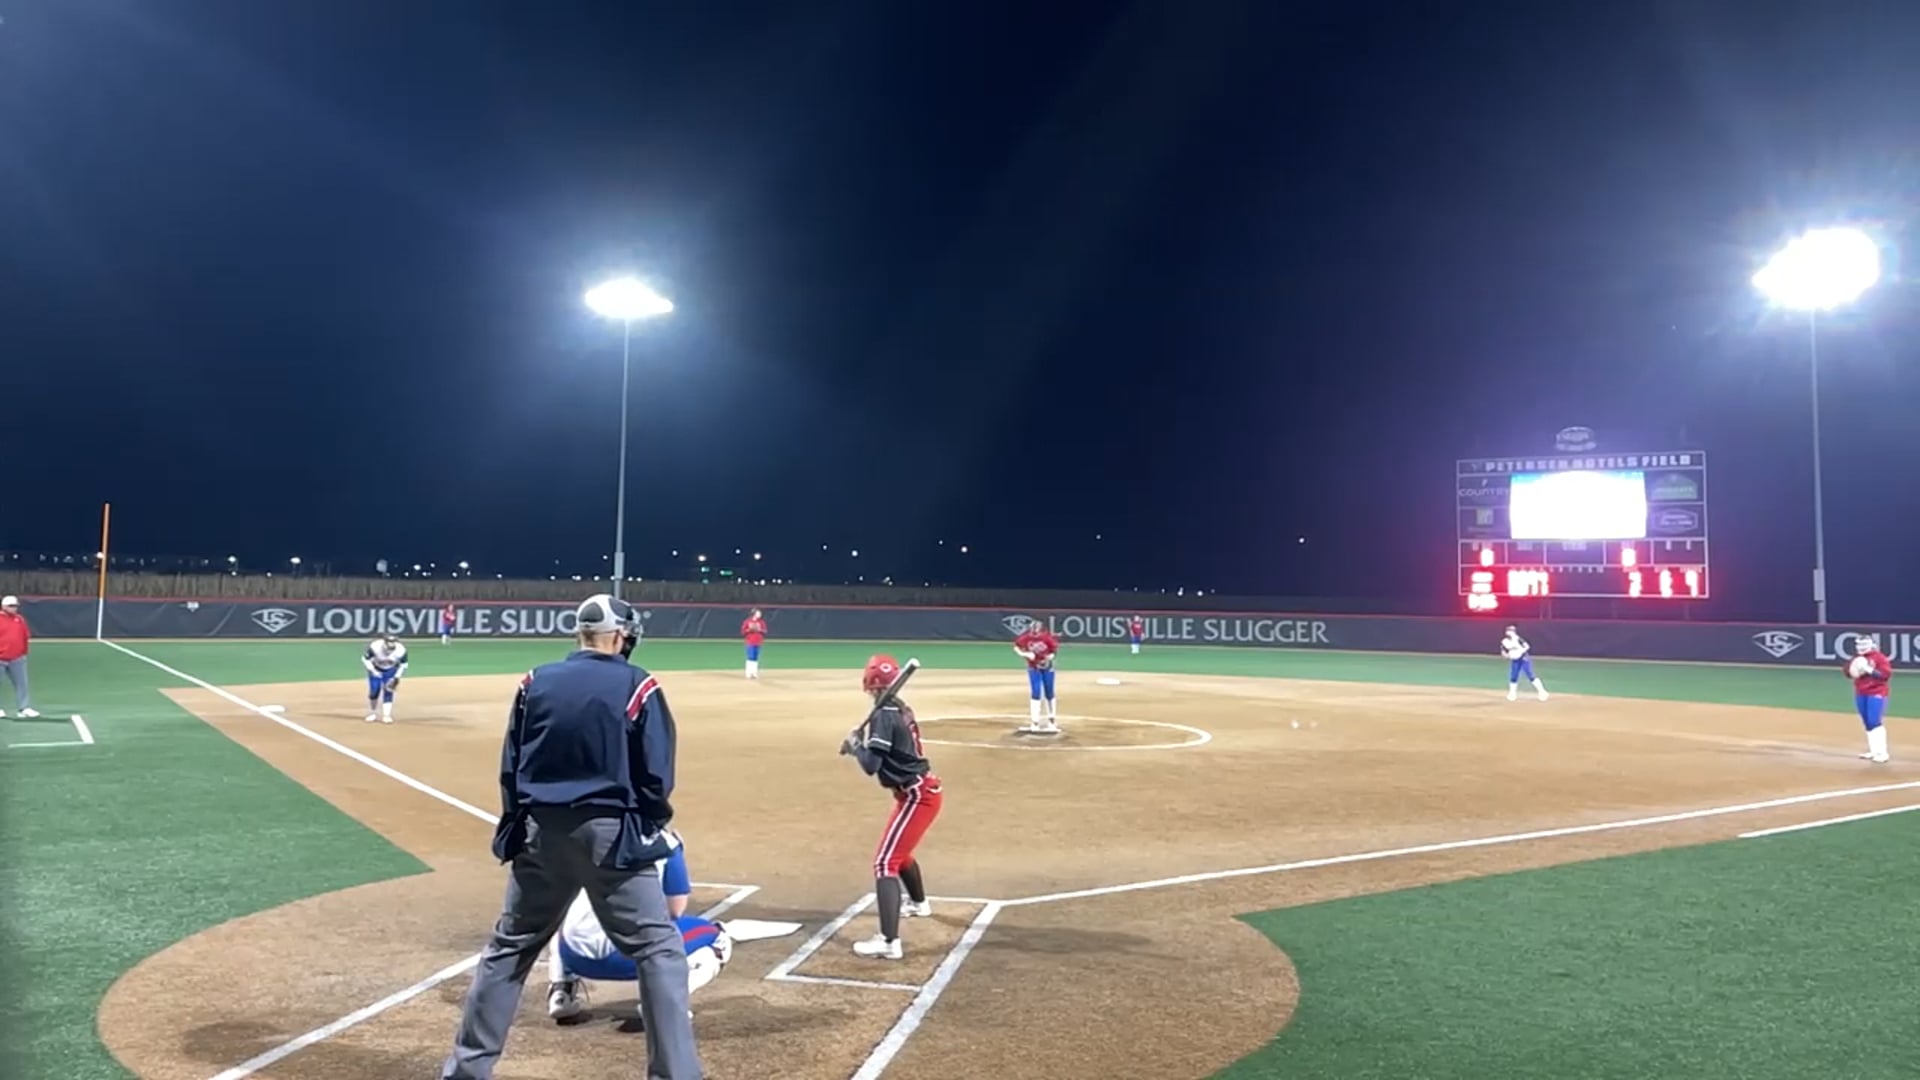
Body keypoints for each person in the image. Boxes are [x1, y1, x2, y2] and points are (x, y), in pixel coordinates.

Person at [440, 594, 701, 1080]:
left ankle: (466, 1071)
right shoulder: (638, 683)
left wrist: (517, 824)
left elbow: (511, 764)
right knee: (659, 951)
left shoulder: (535, 681)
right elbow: (656, 774)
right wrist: (649, 823)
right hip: (611, 836)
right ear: (620, 635)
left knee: (509, 948)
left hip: (540, 831)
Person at [545, 845, 721, 1023]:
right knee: (718, 938)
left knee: (564, 916)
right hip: (628, 957)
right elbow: (675, 911)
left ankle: (561, 991)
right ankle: (661, 1003)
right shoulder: (666, 844)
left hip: (575, 958)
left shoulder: (585, 838)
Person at [839, 655, 940, 960]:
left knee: (885, 863)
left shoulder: (883, 715)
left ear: (869, 684)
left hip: (917, 796)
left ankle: (888, 942)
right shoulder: (898, 707)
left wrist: (856, 746)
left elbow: (871, 766)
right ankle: (919, 904)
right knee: (899, 853)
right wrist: (859, 744)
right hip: (919, 791)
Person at [1847, 633, 1893, 763]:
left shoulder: (1879, 658)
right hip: (1861, 692)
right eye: (1859, 644)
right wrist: (1853, 669)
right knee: (1867, 721)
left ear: (1871, 645)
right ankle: (1874, 751)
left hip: (1877, 692)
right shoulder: (1857, 658)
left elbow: (1885, 675)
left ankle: (1882, 753)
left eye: (1864, 644)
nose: (1861, 647)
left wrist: (1868, 669)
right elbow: (1848, 673)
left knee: (1874, 721)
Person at [1013, 619, 1061, 734]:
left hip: (1047, 667)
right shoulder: (1026, 637)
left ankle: (1052, 720)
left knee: (1049, 692)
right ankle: (1035, 722)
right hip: (1033, 667)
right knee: (1036, 692)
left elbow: (1054, 651)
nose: (1034, 633)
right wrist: (1025, 654)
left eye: (1036, 630)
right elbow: (1016, 646)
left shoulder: (1046, 637)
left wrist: (1049, 657)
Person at [0, 595, 37, 719]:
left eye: (15, 606)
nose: (14, 608)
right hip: (1, 658)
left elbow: (25, 635)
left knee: (22, 684)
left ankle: (24, 708)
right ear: (4, 606)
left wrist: (24, 652)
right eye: (11, 606)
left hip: (17, 658)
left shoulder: (19, 619)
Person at [363, 631, 409, 723]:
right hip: (375, 668)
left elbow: (404, 664)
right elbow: (365, 659)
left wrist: (396, 677)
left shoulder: (401, 650)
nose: (389, 651)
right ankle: (373, 713)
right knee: (374, 690)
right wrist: (373, 671)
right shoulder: (375, 646)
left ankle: (386, 715)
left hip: (390, 670)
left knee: (388, 690)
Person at [1500, 625, 1549, 702]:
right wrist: (1506, 654)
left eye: (1511, 631)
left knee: (1530, 675)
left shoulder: (1518, 639)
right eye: (1508, 631)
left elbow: (1527, 646)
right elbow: (1503, 650)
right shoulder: (1504, 641)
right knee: (1513, 676)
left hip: (1524, 658)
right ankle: (1512, 694)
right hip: (1514, 660)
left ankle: (1542, 692)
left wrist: (1519, 652)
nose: (1510, 632)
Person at [740, 609, 767, 680]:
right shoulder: (748, 621)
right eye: (758, 613)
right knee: (750, 657)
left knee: (755, 657)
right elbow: (743, 631)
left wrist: (760, 630)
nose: (760, 614)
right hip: (750, 641)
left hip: (758, 642)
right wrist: (749, 630)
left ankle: (754, 673)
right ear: (754, 614)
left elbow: (765, 631)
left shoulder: (761, 622)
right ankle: (748, 673)